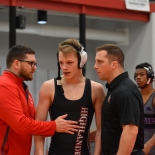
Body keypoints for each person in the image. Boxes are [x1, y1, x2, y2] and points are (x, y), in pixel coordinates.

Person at [0, 45, 80, 155]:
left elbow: (34, 123)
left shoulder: (23, 89)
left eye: (35, 64)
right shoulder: (4, 86)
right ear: (16, 63)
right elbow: (20, 124)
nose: (34, 67)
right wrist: (54, 126)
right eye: (31, 63)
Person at [34, 38, 105, 155]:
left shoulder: (96, 89)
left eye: (69, 62)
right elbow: (38, 126)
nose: (64, 67)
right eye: (61, 63)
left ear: (81, 61)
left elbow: (101, 129)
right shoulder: (49, 87)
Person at [94, 44, 144, 155]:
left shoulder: (125, 91)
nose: (95, 66)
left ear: (114, 64)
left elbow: (130, 131)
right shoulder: (115, 89)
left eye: (100, 62)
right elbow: (111, 126)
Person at [134, 62, 155, 155]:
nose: (138, 77)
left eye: (142, 74)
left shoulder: (154, 98)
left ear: (150, 77)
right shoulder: (134, 97)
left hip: (151, 148)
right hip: (137, 149)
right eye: (136, 75)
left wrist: (148, 145)